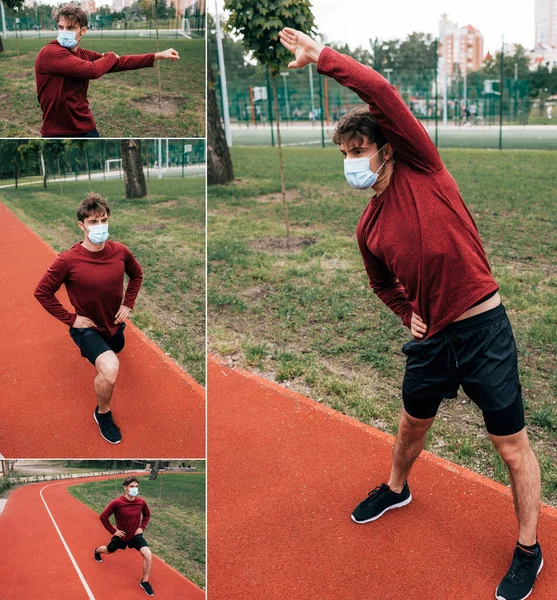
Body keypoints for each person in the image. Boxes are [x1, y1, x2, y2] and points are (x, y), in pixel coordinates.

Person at [279, 27, 543, 600]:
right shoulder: (367, 227)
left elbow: (380, 92)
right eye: (345, 156)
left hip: (482, 328)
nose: (352, 163)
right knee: (410, 424)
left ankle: (529, 548)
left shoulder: (424, 166)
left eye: (359, 151)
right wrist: (407, 315)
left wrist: (322, 58)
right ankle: (397, 488)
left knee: (510, 444)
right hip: (433, 342)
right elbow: (381, 284)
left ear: (387, 147)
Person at [34, 194, 143, 444]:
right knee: (110, 366)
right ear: (82, 226)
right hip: (87, 327)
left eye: (104, 220)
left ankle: (112, 340)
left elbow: (136, 275)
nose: (100, 226)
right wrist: (71, 319)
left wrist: (128, 303)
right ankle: (102, 413)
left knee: (117, 345)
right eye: (93, 222)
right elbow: (42, 292)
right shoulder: (67, 261)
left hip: (113, 323)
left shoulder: (120, 252)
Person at [35, 4, 180, 138]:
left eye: (70, 28)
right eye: (61, 27)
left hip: (86, 129)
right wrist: (110, 56)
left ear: (83, 30)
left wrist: (157, 56)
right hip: (57, 133)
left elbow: (119, 62)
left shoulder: (85, 55)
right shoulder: (50, 52)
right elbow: (92, 70)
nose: (64, 32)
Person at [94, 476, 154, 596]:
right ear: (125, 487)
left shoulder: (141, 502)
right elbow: (103, 517)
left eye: (136, 486)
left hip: (135, 535)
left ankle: (145, 581)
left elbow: (147, 514)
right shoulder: (117, 502)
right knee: (107, 550)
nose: (134, 489)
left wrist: (142, 528)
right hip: (121, 536)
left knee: (148, 554)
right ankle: (97, 551)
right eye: (132, 486)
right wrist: (113, 531)